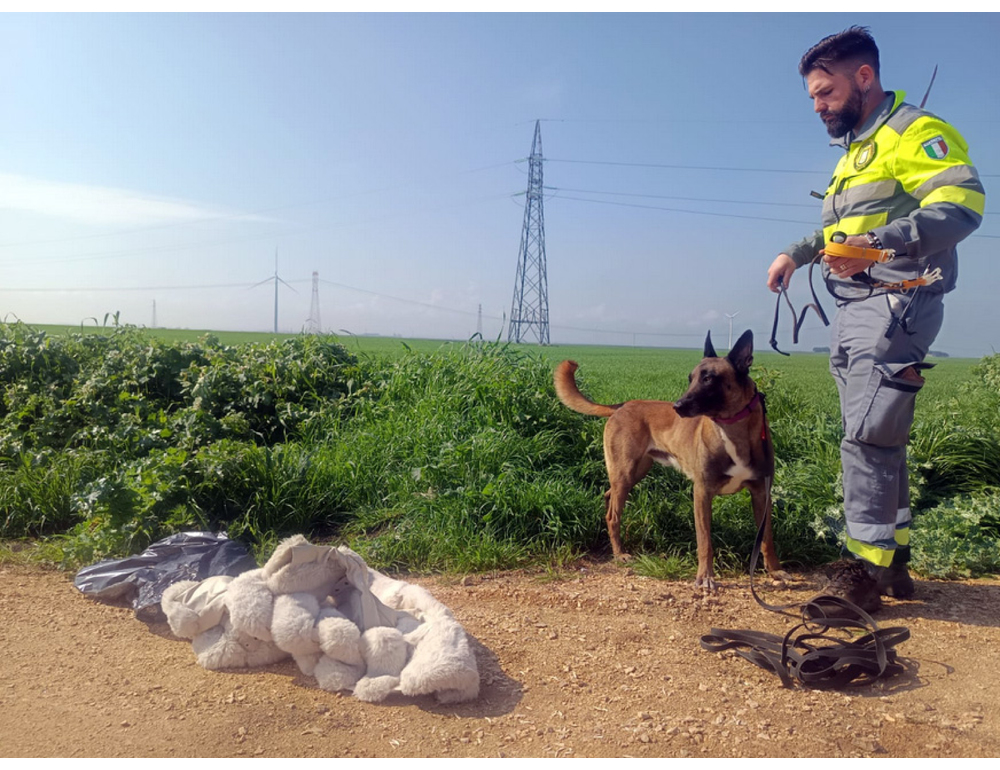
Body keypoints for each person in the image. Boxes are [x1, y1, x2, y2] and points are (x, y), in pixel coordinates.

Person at [766, 27, 985, 600]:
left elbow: (961, 207)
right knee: (878, 436)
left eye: (825, 92)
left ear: (864, 77)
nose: (817, 106)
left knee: (864, 439)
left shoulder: (916, 132)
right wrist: (800, 252)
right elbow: (844, 227)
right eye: (812, 96)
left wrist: (881, 243)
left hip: (897, 303)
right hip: (858, 307)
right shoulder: (859, 151)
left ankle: (858, 575)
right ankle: (892, 563)